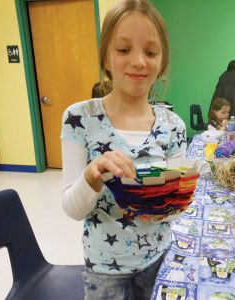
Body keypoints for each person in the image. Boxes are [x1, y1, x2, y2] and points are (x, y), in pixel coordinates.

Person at [60, 0, 187, 299]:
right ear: (106, 56)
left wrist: (160, 199)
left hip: (158, 259)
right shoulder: (80, 119)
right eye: (124, 49)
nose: (139, 61)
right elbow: (72, 209)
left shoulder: (173, 125)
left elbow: (177, 210)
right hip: (105, 268)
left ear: (162, 61)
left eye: (151, 52)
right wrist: (91, 176)